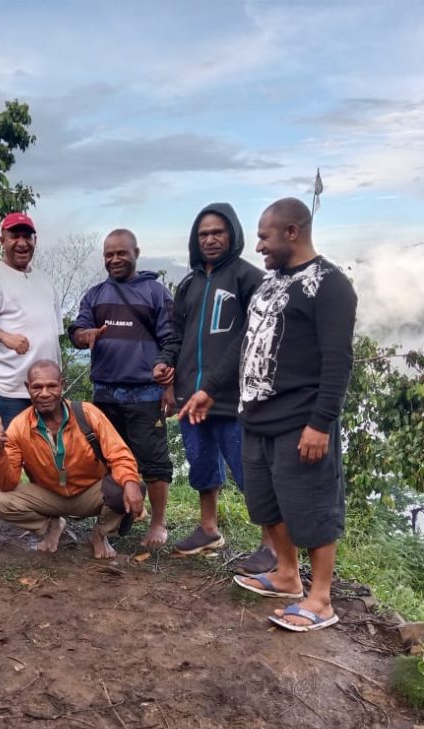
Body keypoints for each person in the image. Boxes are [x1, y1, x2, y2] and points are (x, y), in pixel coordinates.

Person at [180, 198, 357, 631]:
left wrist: (320, 424)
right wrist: (209, 391)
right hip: (255, 416)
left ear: (292, 232)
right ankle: (286, 575)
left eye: (264, 236)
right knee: (266, 503)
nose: (258, 246)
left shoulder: (330, 285)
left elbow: (338, 361)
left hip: (301, 420)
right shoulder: (271, 283)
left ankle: (321, 598)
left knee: (311, 507)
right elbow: (244, 344)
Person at [155, 203, 276, 573]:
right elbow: (177, 334)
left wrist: (215, 383)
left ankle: (272, 547)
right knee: (202, 463)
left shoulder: (249, 278)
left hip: (234, 397)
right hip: (192, 396)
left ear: (232, 235)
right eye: (203, 233)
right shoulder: (189, 284)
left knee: (250, 469)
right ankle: (208, 529)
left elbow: (250, 339)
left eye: (217, 232)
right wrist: (167, 367)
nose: (209, 239)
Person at [68, 229, 177, 548]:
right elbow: (77, 329)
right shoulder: (95, 294)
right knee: (110, 461)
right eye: (108, 255)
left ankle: (157, 522)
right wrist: (83, 336)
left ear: (136, 253)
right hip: (105, 394)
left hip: (145, 393)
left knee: (153, 461)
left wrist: (168, 382)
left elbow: (171, 340)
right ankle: (120, 518)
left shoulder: (156, 293)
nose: (114, 259)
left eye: (121, 253)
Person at [0, 359, 145, 559]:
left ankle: (100, 535)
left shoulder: (87, 413)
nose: (44, 393)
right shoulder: (19, 427)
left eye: (51, 386)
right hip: (50, 494)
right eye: (37, 387)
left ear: (62, 384)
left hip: (91, 492)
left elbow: (119, 454)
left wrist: (130, 482)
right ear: (28, 388)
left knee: (130, 484)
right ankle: (52, 526)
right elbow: (7, 483)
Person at [0, 212, 62, 539]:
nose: (21, 242)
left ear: (35, 240)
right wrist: (5, 337)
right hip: (8, 384)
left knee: (44, 449)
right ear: (2, 240)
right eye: (14, 235)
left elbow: (53, 332)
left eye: (27, 235)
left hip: (46, 389)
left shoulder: (45, 280)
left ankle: (42, 509)